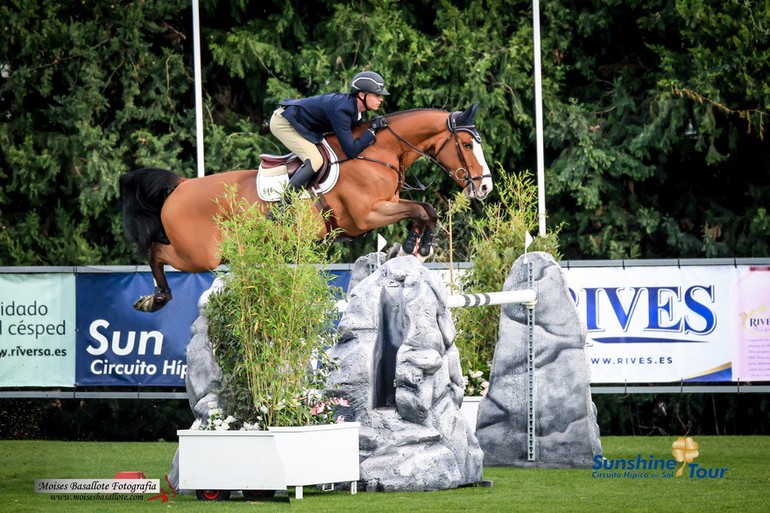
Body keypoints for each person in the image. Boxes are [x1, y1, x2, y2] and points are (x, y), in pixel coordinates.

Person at [268, 70, 390, 213]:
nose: (380, 99)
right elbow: (351, 150)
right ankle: (281, 208)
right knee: (315, 160)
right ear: (362, 95)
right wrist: (371, 130)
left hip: (301, 125)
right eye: (376, 95)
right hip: (283, 123)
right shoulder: (342, 110)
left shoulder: (357, 110)